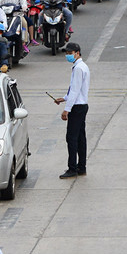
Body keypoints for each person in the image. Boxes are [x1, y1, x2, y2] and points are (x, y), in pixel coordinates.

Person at [54, 43, 90, 178]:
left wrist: (66, 110)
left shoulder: (79, 68)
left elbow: (75, 90)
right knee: (80, 138)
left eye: (70, 52)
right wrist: (63, 98)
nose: (68, 55)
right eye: (67, 53)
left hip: (77, 107)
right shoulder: (80, 67)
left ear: (77, 53)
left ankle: (72, 168)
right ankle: (81, 167)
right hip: (81, 105)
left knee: (72, 138)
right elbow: (75, 90)